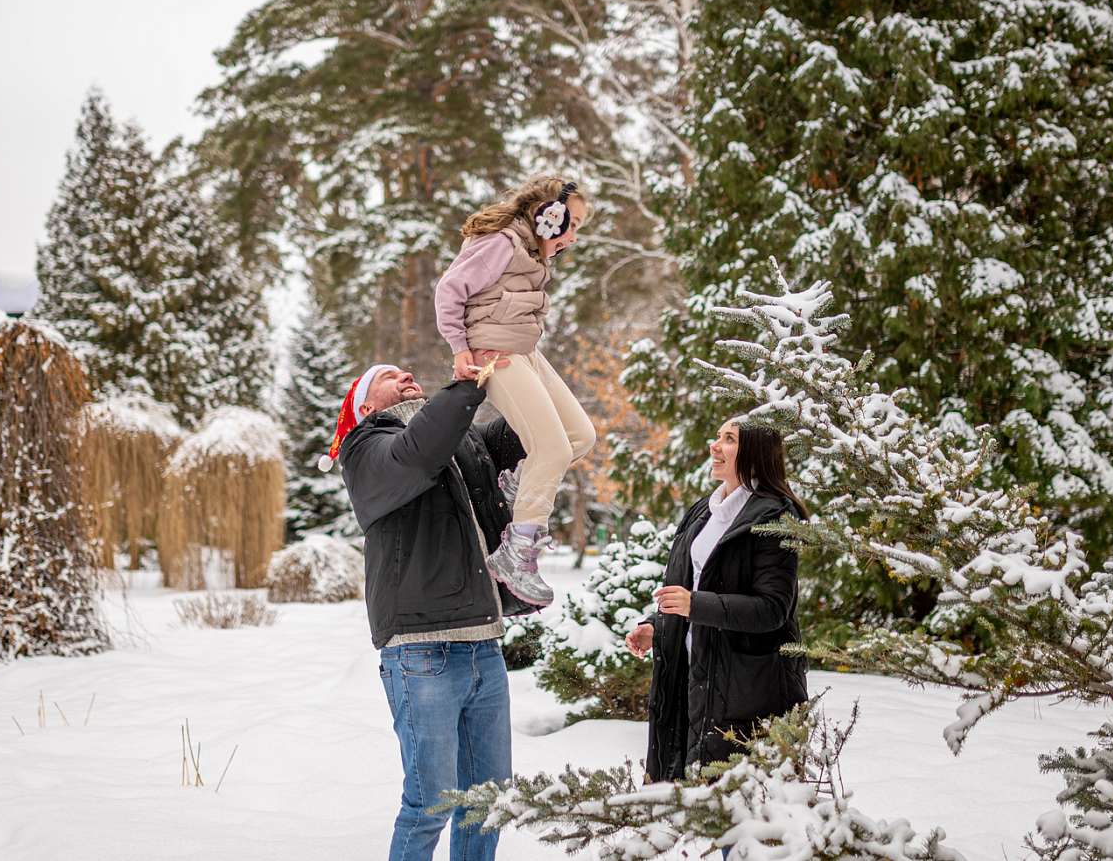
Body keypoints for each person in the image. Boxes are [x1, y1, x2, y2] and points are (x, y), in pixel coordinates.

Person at [320, 362, 538, 861]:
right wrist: (466, 385)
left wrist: (519, 362)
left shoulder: (461, 441)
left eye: (406, 371)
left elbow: (526, 425)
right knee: (430, 804)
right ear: (365, 406)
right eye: (388, 376)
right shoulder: (365, 451)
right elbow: (419, 453)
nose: (405, 375)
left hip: (483, 645)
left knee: (487, 800)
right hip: (421, 651)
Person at [433, 175, 597, 608]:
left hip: (525, 351)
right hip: (495, 355)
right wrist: (460, 349)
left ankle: (517, 483)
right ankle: (517, 553)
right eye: (573, 224)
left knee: (580, 437)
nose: (573, 238)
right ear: (549, 216)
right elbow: (449, 291)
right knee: (552, 450)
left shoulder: (528, 251)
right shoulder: (501, 243)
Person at [625, 419, 810, 785]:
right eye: (717, 437)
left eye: (729, 439)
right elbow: (690, 585)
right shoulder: (704, 512)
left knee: (739, 806)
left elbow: (772, 608)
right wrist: (657, 626)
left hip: (747, 689)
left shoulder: (775, 515)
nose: (714, 446)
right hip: (693, 679)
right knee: (692, 799)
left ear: (755, 451)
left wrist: (694, 605)